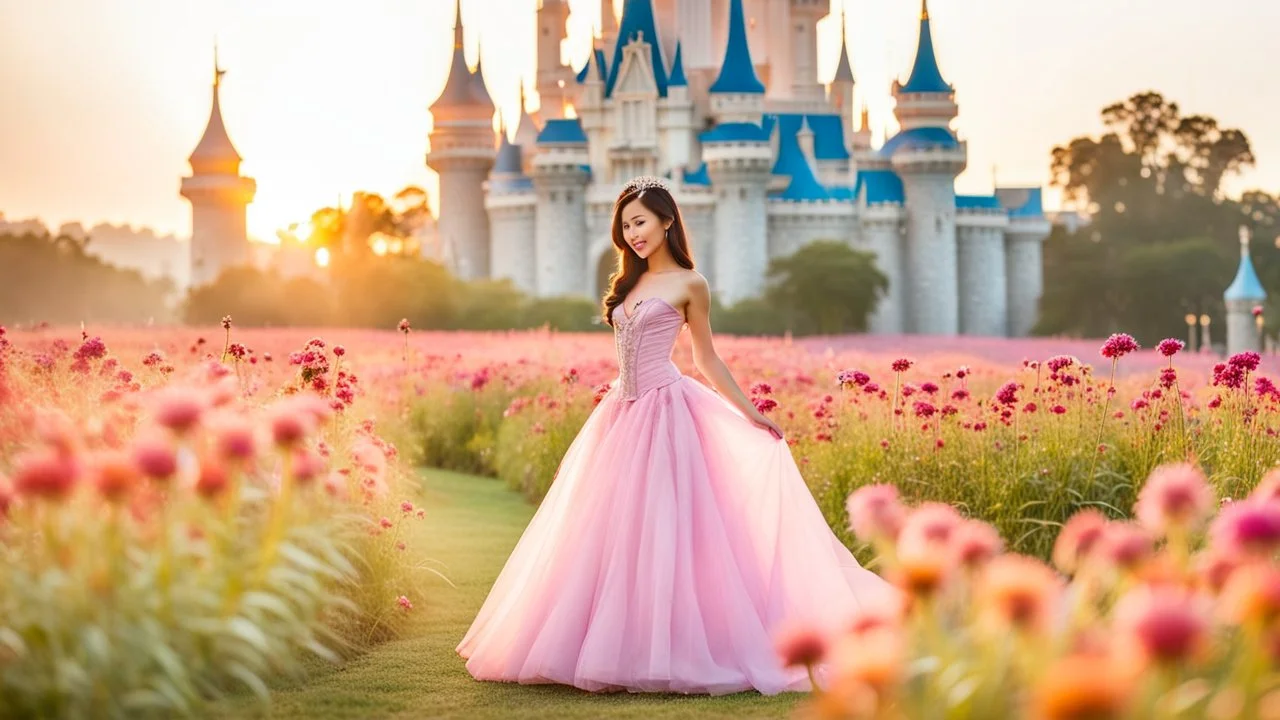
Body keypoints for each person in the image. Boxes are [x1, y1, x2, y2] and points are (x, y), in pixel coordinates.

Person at [456, 175, 896, 696]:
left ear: (667, 220)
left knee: (671, 529)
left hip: (669, 412)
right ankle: (608, 642)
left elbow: (706, 359)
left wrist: (752, 412)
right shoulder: (629, 284)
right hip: (620, 413)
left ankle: (678, 646)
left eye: (640, 221)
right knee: (607, 531)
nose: (632, 233)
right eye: (625, 226)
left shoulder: (691, 283)